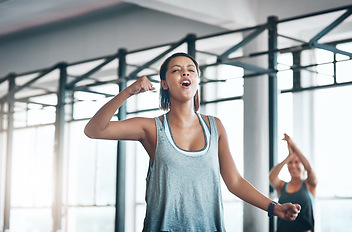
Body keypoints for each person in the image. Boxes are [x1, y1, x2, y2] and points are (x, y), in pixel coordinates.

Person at [84, 52, 301, 231]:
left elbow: (234, 181)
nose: (185, 72)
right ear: (165, 83)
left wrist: (275, 208)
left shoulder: (215, 127)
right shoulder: (151, 128)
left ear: (196, 80)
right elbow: (94, 129)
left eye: (191, 69)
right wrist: (129, 92)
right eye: (176, 70)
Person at [269, 133, 317, 232]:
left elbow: (310, 169)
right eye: (290, 163)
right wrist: (288, 157)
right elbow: (272, 177)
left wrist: (293, 146)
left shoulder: (309, 184)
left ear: (302, 164)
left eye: (297, 162)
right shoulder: (282, 185)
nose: (293, 166)